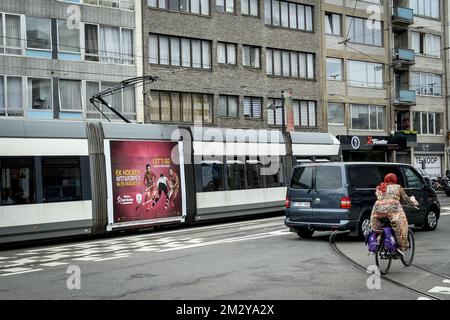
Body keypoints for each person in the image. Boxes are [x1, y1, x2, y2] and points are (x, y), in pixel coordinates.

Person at [370, 173, 418, 256]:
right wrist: (413, 203)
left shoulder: (379, 187)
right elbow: (406, 199)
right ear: (394, 180)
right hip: (393, 208)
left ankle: (378, 240)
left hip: (378, 209)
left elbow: (380, 197)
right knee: (402, 225)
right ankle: (400, 246)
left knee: (377, 227)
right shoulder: (397, 187)